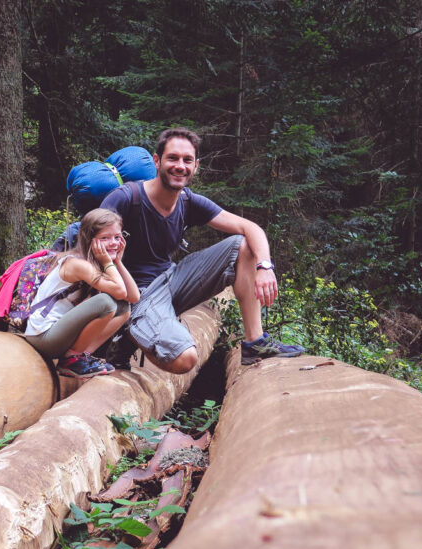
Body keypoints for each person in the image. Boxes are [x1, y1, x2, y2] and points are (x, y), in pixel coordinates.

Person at [101, 127, 304, 372]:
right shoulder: (125, 198)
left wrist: (265, 266)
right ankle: (125, 340)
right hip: (138, 294)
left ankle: (255, 342)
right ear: (157, 161)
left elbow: (249, 227)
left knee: (243, 244)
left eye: (187, 160)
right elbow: (93, 248)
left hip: (172, 279)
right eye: (172, 158)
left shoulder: (187, 201)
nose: (180, 166)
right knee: (185, 359)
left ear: (196, 166)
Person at [24, 208, 141, 378]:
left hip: (61, 334)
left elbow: (133, 297)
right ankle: (70, 360)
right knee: (106, 303)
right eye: (105, 238)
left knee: (123, 307)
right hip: (44, 337)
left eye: (117, 237)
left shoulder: (96, 263)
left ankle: (82, 356)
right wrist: (109, 262)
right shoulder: (77, 264)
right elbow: (120, 290)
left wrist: (117, 262)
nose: (114, 243)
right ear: (90, 239)